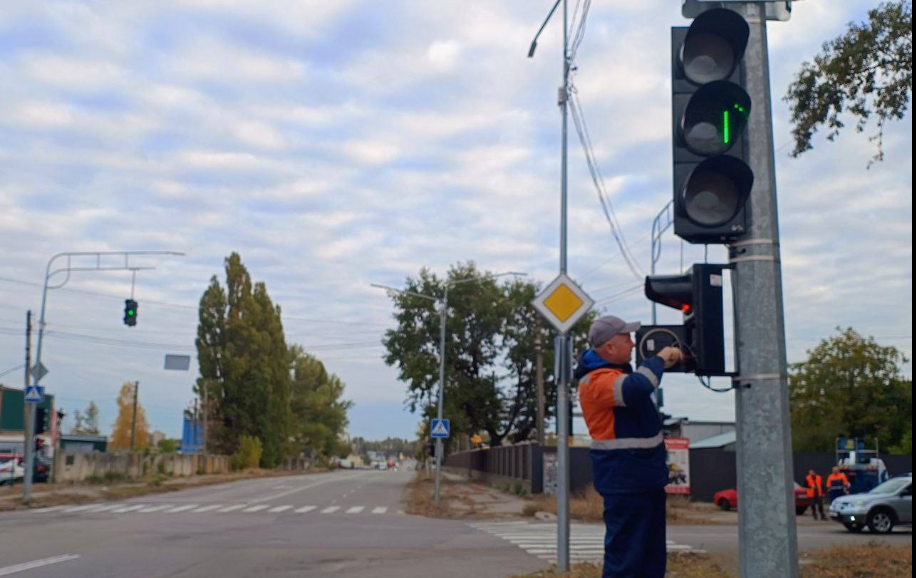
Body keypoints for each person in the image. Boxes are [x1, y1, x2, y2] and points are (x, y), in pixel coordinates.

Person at [575, 315, 683, 578]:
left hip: (643, 481)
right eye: (627, 339)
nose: (634, 344)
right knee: (626, 560)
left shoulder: (613, 375)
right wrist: (660, 358)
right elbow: (638, 387)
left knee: (650, 559)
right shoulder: (596, 381)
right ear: (610, 347)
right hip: (625, 482)